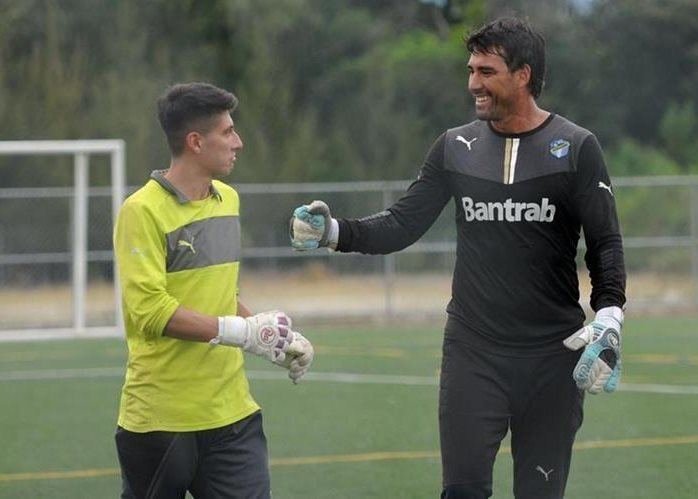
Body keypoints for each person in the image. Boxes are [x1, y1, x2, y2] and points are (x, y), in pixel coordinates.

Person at [289, 17, 625, 499]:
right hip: (474, 353)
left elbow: (605, 241)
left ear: (523, 75)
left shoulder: (575, 147)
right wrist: (334, 232)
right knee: (462, 492)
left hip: (554, 355)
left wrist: (610, 316)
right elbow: (403, 222)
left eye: (486, 72)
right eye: (471, 70)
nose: (473, 83)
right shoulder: (455, 147)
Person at [113, 82, 314, 499]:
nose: (238, 142)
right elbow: (150, 311)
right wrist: (242, 334)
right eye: (227, 132)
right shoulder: (140, 211)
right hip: (160, 421)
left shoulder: (229, 200)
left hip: (232, 416)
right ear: (195, 142)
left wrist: (273, 338)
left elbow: (222, 296)